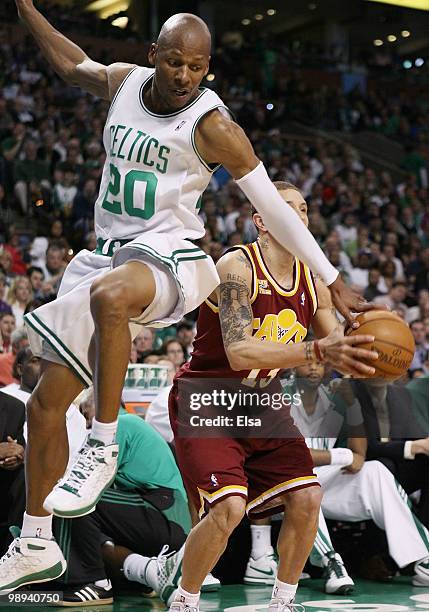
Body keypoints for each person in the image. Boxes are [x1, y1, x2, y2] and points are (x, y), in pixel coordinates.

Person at [1, 1, 375, 594]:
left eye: (196, 67)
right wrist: (26, 10)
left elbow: (273, 203)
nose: (183, 76)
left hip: (172, 256)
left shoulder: (213, 126)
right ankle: (37, 539)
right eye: (174, 62)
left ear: (207, 71)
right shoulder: (125, 84)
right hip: (105, 252)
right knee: (44, 407)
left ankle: (101, 447)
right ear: (153, 55)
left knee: (112, 294)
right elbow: (73, 64)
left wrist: (328, 274)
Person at [152, 183, 377, 611]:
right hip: (208, 399)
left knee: (308, 496)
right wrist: (316, 350)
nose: (298, 216)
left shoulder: (314, 278)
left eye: (304, 209)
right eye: (285, 207)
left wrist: (370, 346)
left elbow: (335, 342)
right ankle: (185, 598)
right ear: (261, 220)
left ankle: (282, 602)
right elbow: (239, 352)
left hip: (263, 403)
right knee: (229, 508)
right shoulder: (236, 265)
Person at [290, 363, 429, 593]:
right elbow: (288, 455)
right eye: (307, 363)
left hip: (322, 477)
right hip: (281, 484)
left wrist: (352, 404)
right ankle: (330, 562)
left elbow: (359, 453)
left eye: (319, 363)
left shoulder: (336, 396)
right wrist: (341, 455)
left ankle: (422, 557)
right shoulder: (280, 394)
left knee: (375, 470)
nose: (314, 369)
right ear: (292, 366)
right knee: (299, 480)